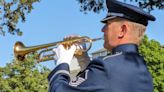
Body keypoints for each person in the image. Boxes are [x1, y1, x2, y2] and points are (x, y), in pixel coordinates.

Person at [47, 0, 156, 92]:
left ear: (122, 30)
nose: (102, 30)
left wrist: (61, 63)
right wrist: (83, 59)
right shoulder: (143, 70)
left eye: (107, 24)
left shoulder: (106, 65)